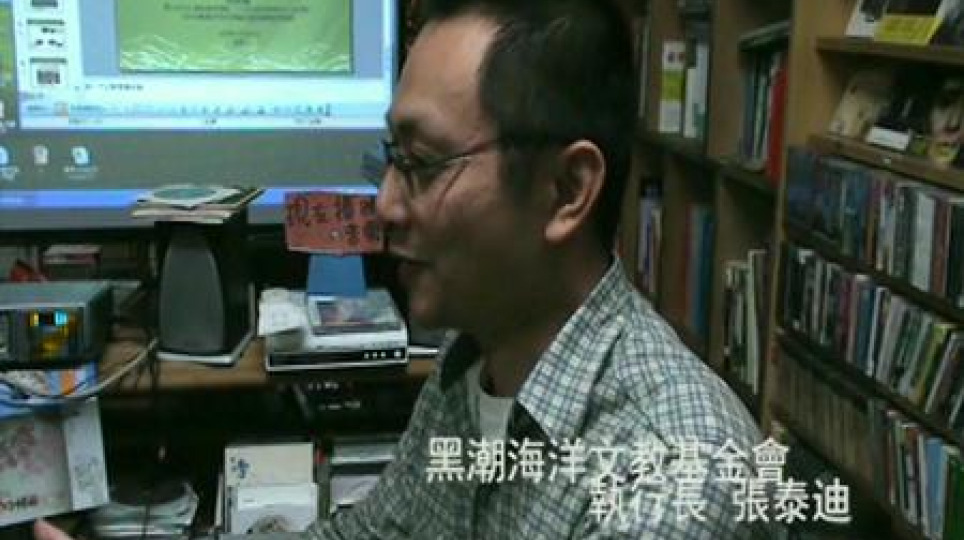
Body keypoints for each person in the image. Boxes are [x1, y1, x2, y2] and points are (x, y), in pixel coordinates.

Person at [35, 0, 769, 538]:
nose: (384, 204)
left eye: (420, 163)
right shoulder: (473, 362)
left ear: (567, 191)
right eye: (390, 158)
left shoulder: (670, 485)